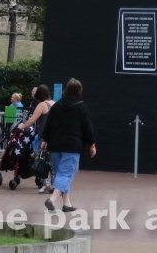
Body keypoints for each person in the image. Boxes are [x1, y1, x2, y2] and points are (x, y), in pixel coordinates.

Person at [40, 78, 96, 213]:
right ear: (79, 91)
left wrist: (45, 139)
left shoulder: (57, 105)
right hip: (72, 145)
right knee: (65, 174)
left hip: (55, 144)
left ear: (66, 90)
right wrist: (92, 144)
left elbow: (49, 124)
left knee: (61, 174)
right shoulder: (81, 106)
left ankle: (67, 203)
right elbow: (87, 127)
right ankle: (52, 200)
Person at [18, 84, 55, 193]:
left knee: (40, 160)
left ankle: (46, 183)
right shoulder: (55, 104)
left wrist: (22, 126)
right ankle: (53, 184)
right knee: (52, 162)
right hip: (55, 137)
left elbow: (32, 120)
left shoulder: (42, 105)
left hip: (44, 137)